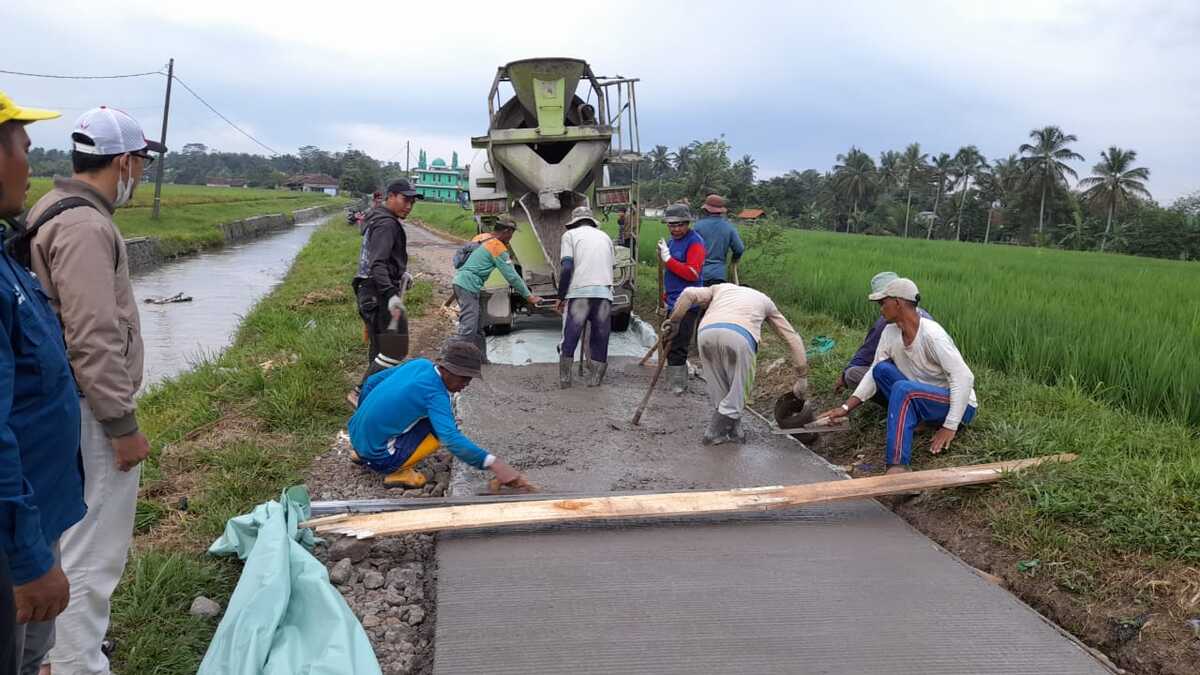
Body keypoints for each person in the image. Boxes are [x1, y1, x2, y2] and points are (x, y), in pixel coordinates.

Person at [22, 105, 164, 675]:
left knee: (69, 541)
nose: (141, 176)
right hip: (90, 412)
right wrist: (122, 425)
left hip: (67, 406)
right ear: (125, 161)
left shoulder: (53, 208)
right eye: (141, 165)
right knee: (91, 552)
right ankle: (77, 664)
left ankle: (60, 654)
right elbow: (92, 336)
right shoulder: (85, 225)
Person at [0, 92, 87, 675]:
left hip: (38, 513)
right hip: (16, 537)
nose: (31, 165)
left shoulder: (8, 259)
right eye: (24, 149)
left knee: (33, 658)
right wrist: (29, 561)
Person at [820, 278, 977, 475]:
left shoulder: (932, 335)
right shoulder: (889, 332)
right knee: (881, 370)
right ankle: (918, 420)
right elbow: (873, 373)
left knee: (904, 389)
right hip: (921, 396)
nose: (880, 309)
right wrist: (845, 408)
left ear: (898, 303)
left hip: (959, 405)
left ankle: (897, 466)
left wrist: (950, 426)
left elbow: (964, 378)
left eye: (882, 303)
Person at [347, 342, 533, 490]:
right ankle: (396, 472)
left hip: (355, 435)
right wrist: (494, 463)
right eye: (463, 378)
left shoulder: (420, 364)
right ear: (446, 369)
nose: (466, 384)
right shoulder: (436, 395)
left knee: (436, 420)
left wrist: (368, 423)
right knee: (439, 431)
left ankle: (364, 451)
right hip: (379, 458)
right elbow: (451, 439)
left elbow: (371, 382)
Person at [667, 283, 809, 444]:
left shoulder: (720, 288)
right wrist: (802, 378)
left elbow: (688, 293)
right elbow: (792, 338)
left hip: (706, 333)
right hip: (739, 336)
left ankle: (734, 432)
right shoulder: (764, 300)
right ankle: (714, 433)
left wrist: (674, 321)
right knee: (739, 389)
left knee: (718, 386)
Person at [353, 179, 423, 385]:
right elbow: (378, 264)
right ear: (390, 196)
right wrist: (391, 295)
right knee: (395, 349)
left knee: (380, 350)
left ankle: (371, 395)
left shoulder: (378, 216)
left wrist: (401, 273)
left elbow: (379, 260)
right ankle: (360, 391)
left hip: (369, 291)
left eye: (412, 202)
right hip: (378, 293)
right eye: (405, 200)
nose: (409, 206)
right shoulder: (386, 223)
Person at [451, 218, 542, 360]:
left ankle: (481, 359)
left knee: (478, 327)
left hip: (466, 284)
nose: (511, 238)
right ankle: (455, 361)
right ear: (506, 231)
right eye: (511, 234)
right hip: (467, 285)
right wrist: (529, 296)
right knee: (469, 327)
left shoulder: (486, 240)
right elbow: (512, 276)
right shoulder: (497, 246)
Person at [836, 271, 933, 394]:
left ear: (896, 301)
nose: (881, 309)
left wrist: (844, 376)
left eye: (882, 303)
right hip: (927, 387)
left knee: (853, 374)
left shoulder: (886, 323)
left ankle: (901, 402)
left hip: (912, 388)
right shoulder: (925, 318)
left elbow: (867, 353)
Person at [556, 206, 614, 388]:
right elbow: (611, 266)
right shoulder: (605, 237)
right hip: (604, 294)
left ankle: (565, 381)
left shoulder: (569, 236)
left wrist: (561, 295)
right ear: (591, 221)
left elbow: (566, 267)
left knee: (571, 335)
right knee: (600, 336)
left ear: (574, 222)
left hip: (580, 294)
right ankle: (595, 381)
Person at [655, 204, 705, 394]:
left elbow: (693, 273)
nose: (675, 229)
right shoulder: (672, 242)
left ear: (687, 224)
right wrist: (666, 295)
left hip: (688, 302)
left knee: (678, 344)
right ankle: (673, 380)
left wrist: (669, 261)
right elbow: (671, 274)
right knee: (668, 340)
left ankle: (677, 386)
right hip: (673, 299)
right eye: (671, 225)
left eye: (680, 225)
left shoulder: (695, 243)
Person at [692, 194, 745, 286]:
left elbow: (689, 248)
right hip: (718, 275)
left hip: (699, 274)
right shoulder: (729, 227)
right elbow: (739, 248)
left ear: (706, 209)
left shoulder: (697, 226)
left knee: (698, 300)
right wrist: (734, 259)